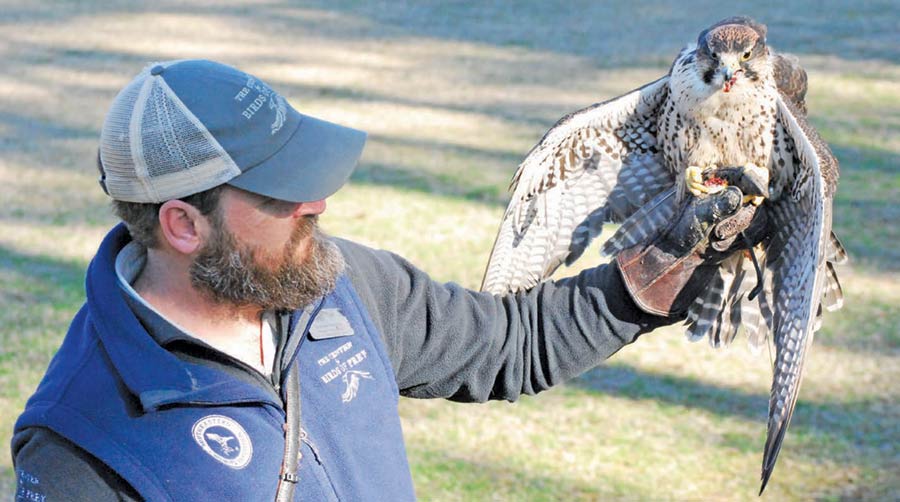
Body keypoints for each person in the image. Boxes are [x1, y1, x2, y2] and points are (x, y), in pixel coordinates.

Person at [11, 59, 754, 500]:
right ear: (183, 224)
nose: (317, 203)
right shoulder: (82, 440)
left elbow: (506, 344)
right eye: (279, 194)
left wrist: (643, 283)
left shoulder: (336, 281)